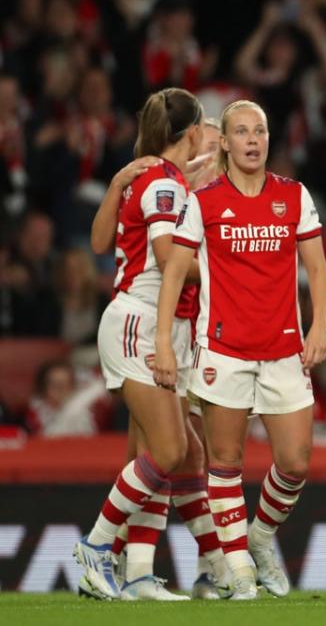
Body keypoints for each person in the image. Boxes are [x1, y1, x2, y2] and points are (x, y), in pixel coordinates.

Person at [153, 99, 326, 600]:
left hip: (284, 350)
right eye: (242, 132)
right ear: (225, 143)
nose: (253, 140)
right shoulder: (204, 201)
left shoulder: (294, 196)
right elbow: (173, 274)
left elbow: (317, 269)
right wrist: (165, 343)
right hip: (223, 351)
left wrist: (318, 327)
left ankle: (260, 536)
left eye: (261, 131)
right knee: (225, 462)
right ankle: (240, 572)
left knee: (295, 462)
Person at [73, 87, 216, 601]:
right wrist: (231, 269)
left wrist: (116, 185)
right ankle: (95, 548)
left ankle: (136, 573)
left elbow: (97, 242)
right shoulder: (163, 183)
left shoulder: (152, 176)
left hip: (150, 321)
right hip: (144, 322)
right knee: (172, 450)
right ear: (193, 129)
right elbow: (165, 254)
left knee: (155, 452)